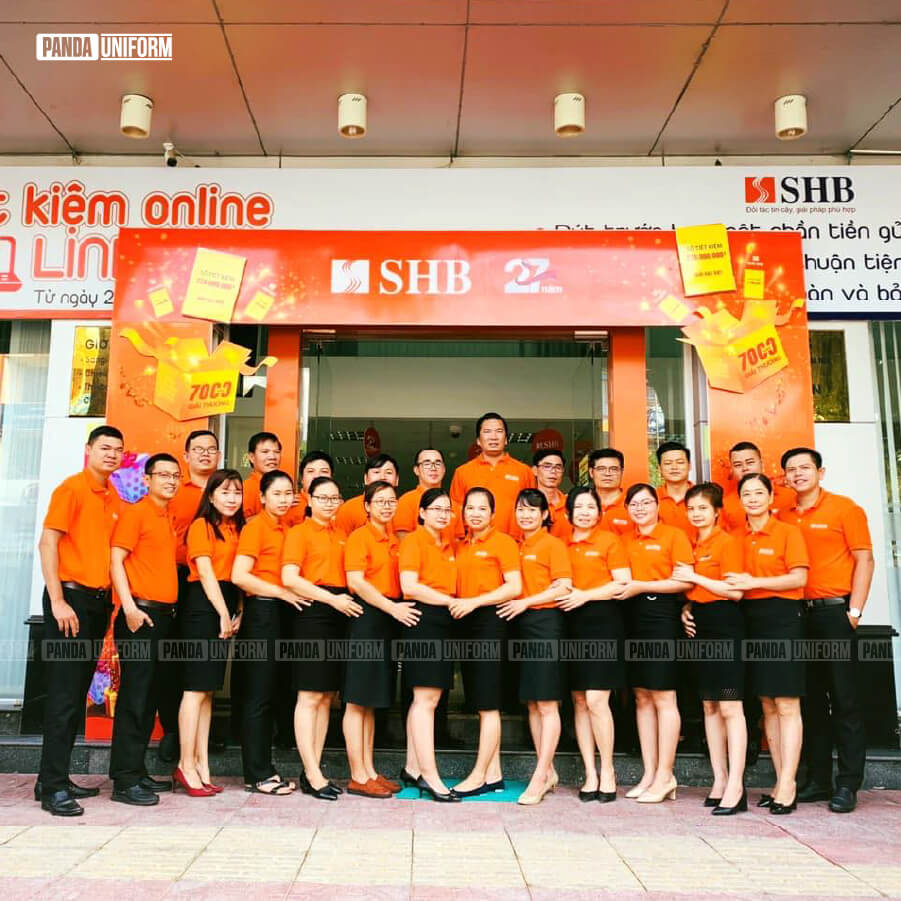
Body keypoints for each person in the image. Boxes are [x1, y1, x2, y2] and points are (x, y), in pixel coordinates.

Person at [35, 425, 124, 816]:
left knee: (75, 694)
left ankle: (51, 778)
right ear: (89, 449)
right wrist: (57, 600)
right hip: (69, 601)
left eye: (118, 449)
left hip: (95, 605)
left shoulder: (113, 496)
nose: (111, 454)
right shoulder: (71, 489)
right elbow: (48, 543)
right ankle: (53, 788)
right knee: (63, 696)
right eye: (105, 447)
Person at [779, 447, 874, 814]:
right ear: (785, 477)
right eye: (791, 469)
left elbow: (865, 559)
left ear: (821, 472)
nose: (798, 474)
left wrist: (855, 611)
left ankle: (848, 783)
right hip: (795, 616)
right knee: (810, 700)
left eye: (805, 467)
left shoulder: (845, 509)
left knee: (844, 699)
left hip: (834, 614)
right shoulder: (782, 515)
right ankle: (818, 780)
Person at [727, 473, 809, 815]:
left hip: (783, 618)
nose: (753, 498)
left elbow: (799, 577)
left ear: (771, 496)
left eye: (759, 492)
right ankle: (778, 780)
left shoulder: (788, 532)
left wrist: (755, 582)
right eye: (746, 493)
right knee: (767, 704)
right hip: (749, 619)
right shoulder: (735, 536)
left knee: (787, 703)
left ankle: (789, 783)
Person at [281, 476, 361, 801]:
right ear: (310, 500)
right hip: (313, 614)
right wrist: (330, 600)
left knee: (327, 696)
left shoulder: (343, 535)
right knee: (309, 695)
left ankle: (313, 769)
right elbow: (289, 578)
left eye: (334, 498)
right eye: (323, 498)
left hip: (340, 613)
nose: (329, 503)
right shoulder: (299, 533)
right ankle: (313, 774)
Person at [108, 453, 181, 807]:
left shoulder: (167, 517)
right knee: (135, 698)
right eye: (163, 474)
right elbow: (116, 560)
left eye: (175, 475)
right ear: (147, 479)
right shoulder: (135, 513)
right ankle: (124, 780)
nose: (170, 480)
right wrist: (129, 607)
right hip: (140, 616)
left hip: (163, 618)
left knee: (149, 696)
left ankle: (136, 770)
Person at [615, 483, 693, 803]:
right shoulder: (623, 540)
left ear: (658, 506)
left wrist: (642, 585)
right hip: (632, 616)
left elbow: (684, 580)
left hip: (662, 616)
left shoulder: (674, 536)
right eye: (634, 504)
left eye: (646, 502)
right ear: (627, 509)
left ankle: (666, 774)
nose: (640, 508)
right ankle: (649, 774)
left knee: (663, 695)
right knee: (642, 696)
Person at [231, 469, 306, 795]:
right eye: (277, 493)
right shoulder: (255, 527)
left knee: (275, 692)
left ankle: (265, 767)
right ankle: (257, 773)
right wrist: (281, 593)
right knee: (258, 694)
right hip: (262, 612)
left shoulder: (289, 529)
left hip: (283, 612)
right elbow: (240, 575)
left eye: (288, 493)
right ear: (262, 497)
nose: (284, 499)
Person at [343, 481, 419, 798]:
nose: (387, 506)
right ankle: (357, 775)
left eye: (391, 501)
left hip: (388, 619)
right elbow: (356, 582)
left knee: (371, 701)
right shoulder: (360, 537)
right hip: (367, 618)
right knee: (357, 700)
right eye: (380, 501)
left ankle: (370, 771)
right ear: (367, 506)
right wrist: (391, 608)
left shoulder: (393, 540)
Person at [498, 489, 572, 805]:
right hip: (520, 625)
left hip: (545, 624)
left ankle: (540, 776)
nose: (525, 515)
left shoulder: (553, 545)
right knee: (531, 703)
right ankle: (549, 769)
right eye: (521, 509)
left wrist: (526, 602)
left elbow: (564, 587)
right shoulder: (515, 545)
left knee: (547, 703)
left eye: (532, 510)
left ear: (544, 515)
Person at [677, 483, 748, 815]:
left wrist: (696, 578)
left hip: (725, 626)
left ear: (717, 511)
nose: (696, 514)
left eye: (703, 508)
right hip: (700, 625)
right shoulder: (692, 543)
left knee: (731, 705)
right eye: (691, 509)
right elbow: (696, 590)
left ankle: (737, 785)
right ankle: (719, 779)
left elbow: (734, 592)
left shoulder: (727, 542)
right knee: (709, 705)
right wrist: (687, 607)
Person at [558, 486, 630, 803]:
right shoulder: (561, 544)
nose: (585, 512)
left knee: (597, 699)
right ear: (568, 513)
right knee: (579, 700)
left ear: (599, 513)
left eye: (591, 507)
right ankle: (590, 773)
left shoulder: (609, 541)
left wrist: (585, 596)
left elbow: (622, 582)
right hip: (570, 624)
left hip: (603, 622)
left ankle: (608, 770)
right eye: (579, 507)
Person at [176, 469, 245, 797]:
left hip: (226, 604)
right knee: (194, 689)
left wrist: (238, 610)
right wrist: (221, 613)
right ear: (212, 496)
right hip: (203, 607)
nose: (232, 498)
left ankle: (202, 764)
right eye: (225, 492)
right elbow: (205, 573)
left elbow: (238, 575)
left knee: (208, 691)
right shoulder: (201, 526)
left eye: (237, 492)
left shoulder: (236, 528)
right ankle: (185, 764)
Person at [449, 488, 521, 797]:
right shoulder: (460, 545)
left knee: (488, 704)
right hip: (466, 623)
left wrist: (475, 602)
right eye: (470, 508)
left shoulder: (503, 542)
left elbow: (514, 587)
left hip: (490, 623)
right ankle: (495, 774)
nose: (475, 513)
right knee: (480, 701)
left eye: (482, 509)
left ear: (493, 514)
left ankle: (479, 776)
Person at [160, 428, 220, 763]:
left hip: (210, 583)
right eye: (198, 449)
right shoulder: (173, 492)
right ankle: (173, 730)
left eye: (211, 448)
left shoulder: (224, 493)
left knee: (205, 660)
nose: (205, 454)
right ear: (186, 456)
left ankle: (202, 736)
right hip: (176, 577)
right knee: (173, 656)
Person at [397, 488, 460, 802]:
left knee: (424, 699)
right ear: (421, 513)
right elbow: (409, 586)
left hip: (443, 620)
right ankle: (430, 775)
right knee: (427, 699)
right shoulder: (414, 541)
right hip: (424, 620)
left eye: (447, 509)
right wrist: (449, 601)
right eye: (436, 509)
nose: (442, 514)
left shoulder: (447, 545)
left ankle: (412, 767)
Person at [450, 412, 535, 538]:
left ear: (506, 439)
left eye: (499, 431)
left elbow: (534, 510)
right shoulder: (462, 472)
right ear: (478, 441)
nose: (493, 437)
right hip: (475, 542)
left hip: (516, 542)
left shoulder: (524, 471)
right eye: (487, 431)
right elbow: (457, 513)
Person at [720, 441, 796, 535]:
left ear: (761, 464)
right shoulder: (726, 505)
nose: (745, 468)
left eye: (750, 462)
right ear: (732, 469)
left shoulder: (791, 496)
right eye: (738, 465)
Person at [394, 448, 458, 542]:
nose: (433, 468)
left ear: (444, 469)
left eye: (438, 463)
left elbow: (458, 541)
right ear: (416, 470)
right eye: (427, 464)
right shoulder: (406, 501)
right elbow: (403, 539)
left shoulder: (453, 505)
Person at [335, 454, 400, 536]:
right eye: (376, 472)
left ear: (397, 480)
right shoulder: (348, 509)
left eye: (389, 472)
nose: (382, 477)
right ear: (366, 479)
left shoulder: (403, 508)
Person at [656, 441, 695, 539]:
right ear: (659, 468)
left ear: (689, 466)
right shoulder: (651, 499)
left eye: (680, 462)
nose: (674, 467)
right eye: (668, 463)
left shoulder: (705, 498)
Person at [588, 448, 631, 536]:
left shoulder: (633, 504)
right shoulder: (580, 503)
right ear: (591, 472)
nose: (607, 473)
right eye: (601, 469)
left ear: (621, 472)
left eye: (614, 469)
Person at [533, 448, 571, 541]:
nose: (553, 471)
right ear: (535, 470)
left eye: (558, 467)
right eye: (547, 466)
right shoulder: (526, 504)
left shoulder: (571, 504)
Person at [243, 431, 283, 518]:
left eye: (276, 452)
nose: (272, 457)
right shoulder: (246, 489)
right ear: (251, 457)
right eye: (265, 452)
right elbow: (242, 523)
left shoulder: (284, 487)